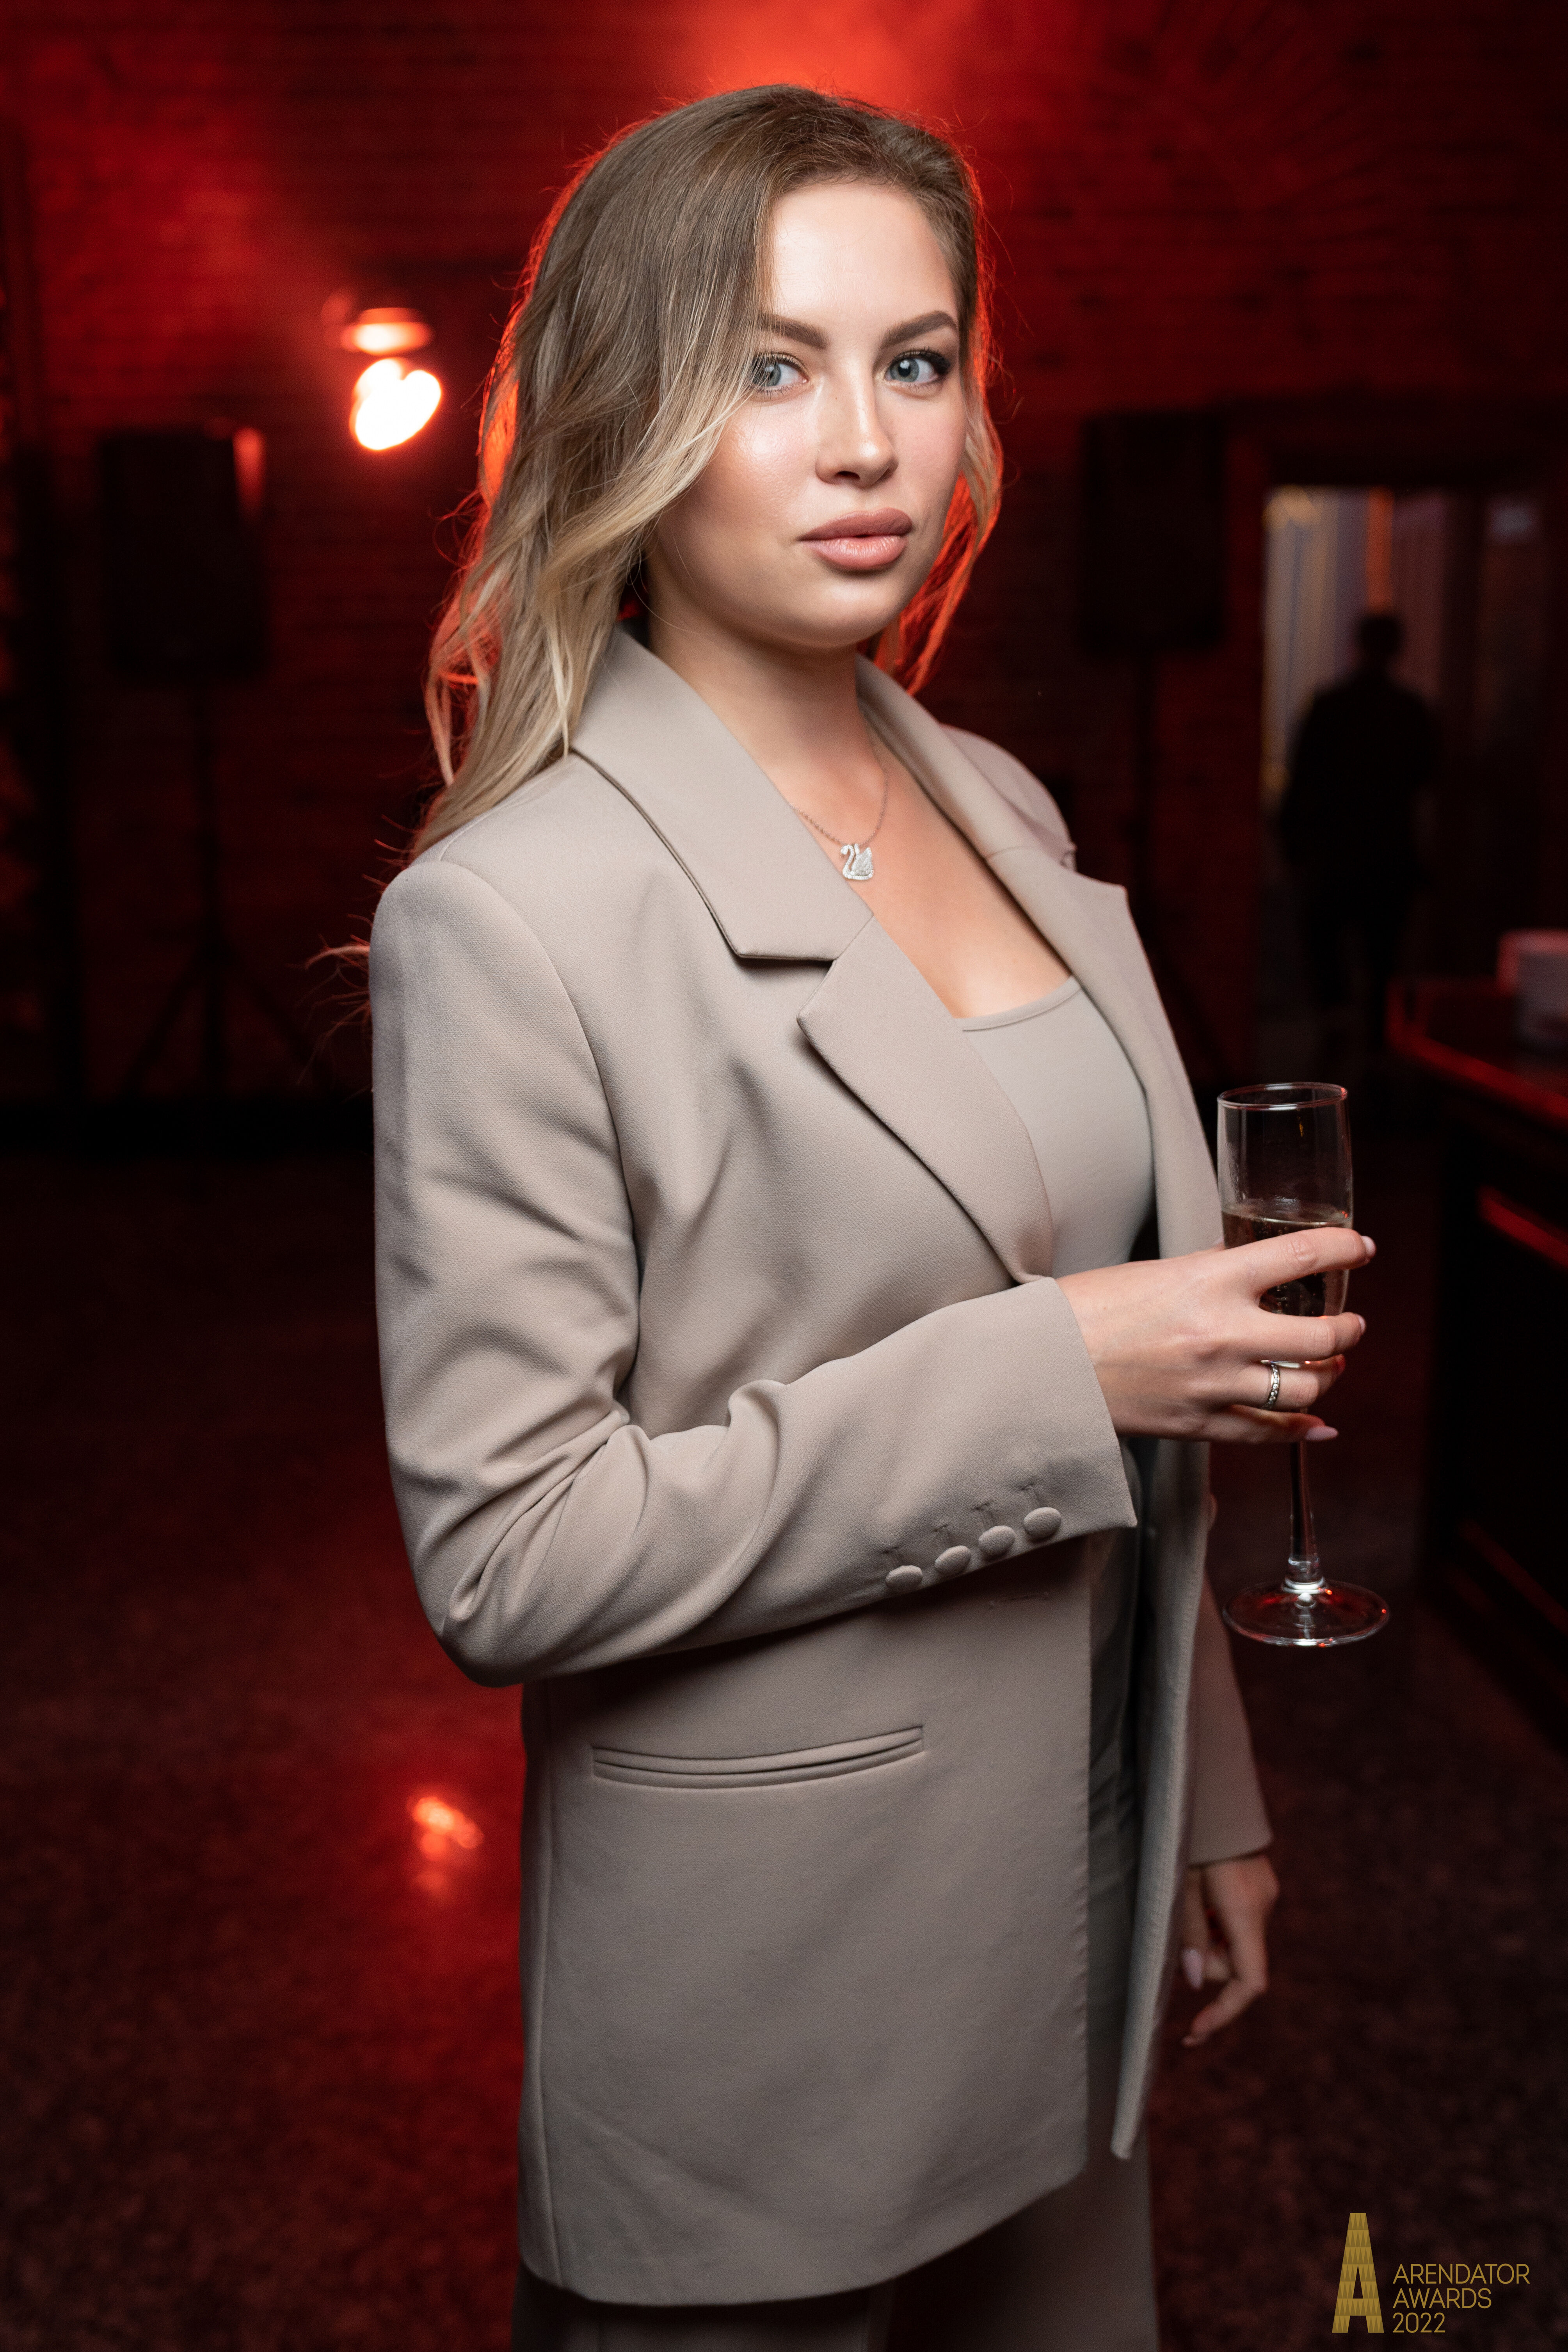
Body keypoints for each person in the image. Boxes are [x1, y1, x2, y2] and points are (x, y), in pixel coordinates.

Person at [369, 87, 1369, 2352]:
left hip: (1071, 1900)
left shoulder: (995, 799)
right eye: (768, 365)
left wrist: (1200, 1789)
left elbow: (1147, 1362)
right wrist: (1049, 1374)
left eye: (913, 362)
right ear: (629, 410)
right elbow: (508, 1551)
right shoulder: (515, 909)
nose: (862, 444)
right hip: (774, 1983)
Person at [1280, 609, 1440, 1052]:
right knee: (1382, 957)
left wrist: (1292, 846)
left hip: (1334, 854)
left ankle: (1338, 1021)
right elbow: (1428, 781)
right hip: (1388, 856)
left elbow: (1300, 781)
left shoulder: (1331, 707)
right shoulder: (1410, 711)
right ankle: (1376, 1045)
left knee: (1325, 943)